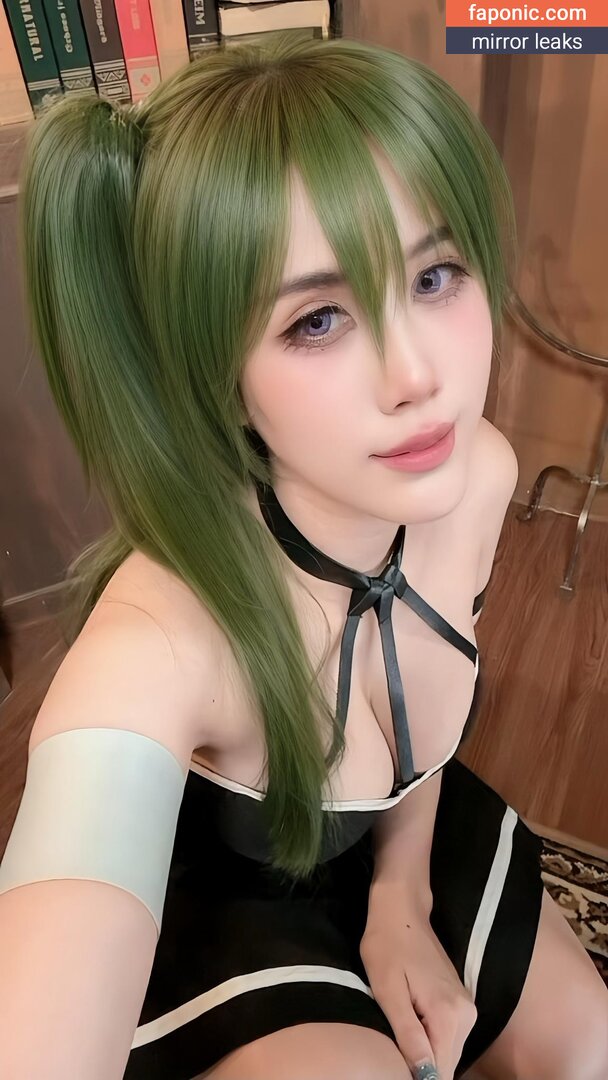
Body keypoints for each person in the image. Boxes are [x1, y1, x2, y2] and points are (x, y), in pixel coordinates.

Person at [0, 32, 607, 1080]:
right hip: (229, 903)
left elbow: (427, 726)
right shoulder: (155, 642)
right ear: (214, 371)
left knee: (590, 1042)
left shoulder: (480, 476)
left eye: (435, 274)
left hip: (398, 842)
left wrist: (401, 898)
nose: (418, 375)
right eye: (318, 319)